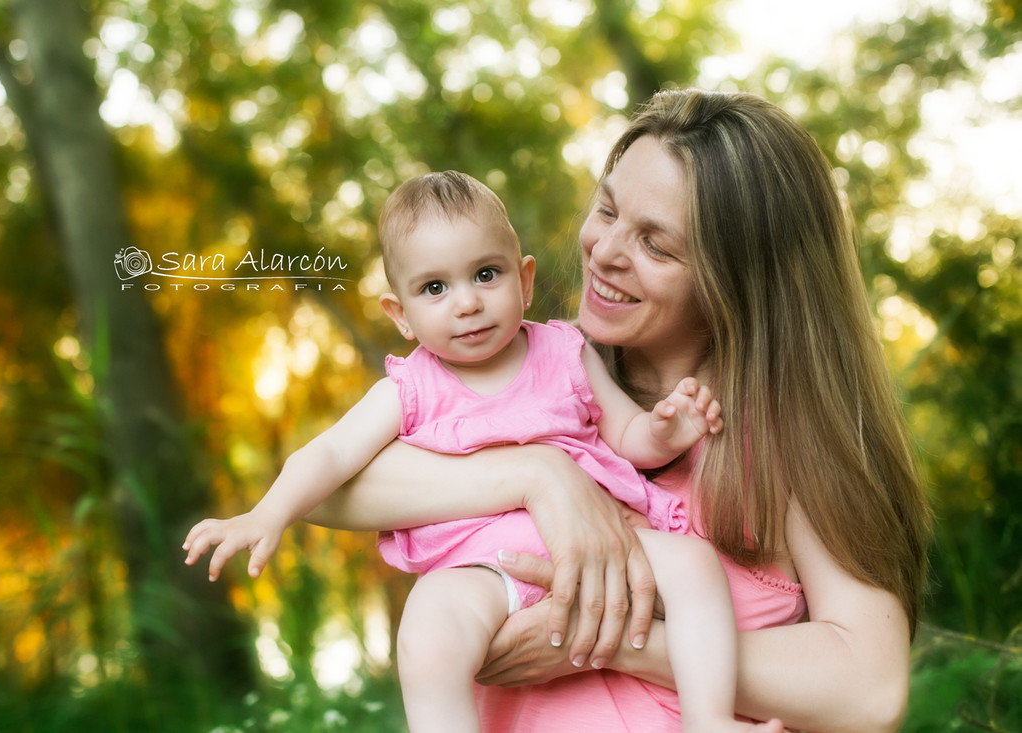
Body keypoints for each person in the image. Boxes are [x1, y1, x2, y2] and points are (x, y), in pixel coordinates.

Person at [305, 90, 934, 733]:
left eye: (656, 247)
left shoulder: (784, 436)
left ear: (738, 278)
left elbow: (870, 691)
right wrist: (541, 475)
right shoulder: (541, 385)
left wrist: (601, 639)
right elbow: (330, 489)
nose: (604, 252)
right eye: (606, 210)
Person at [183, 170, 784, 733]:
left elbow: (629, 438)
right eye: (435, 287)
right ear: (403, 315)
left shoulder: (565, 351)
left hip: (605, 547)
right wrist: (268, 512)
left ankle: (710, 722)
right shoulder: (409, 388)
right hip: (482, 567)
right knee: (427, 632)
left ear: (524, 281)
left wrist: (668, 431)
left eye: (486, 275)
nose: (466, 302)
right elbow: (332, 456)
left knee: (694, 566)